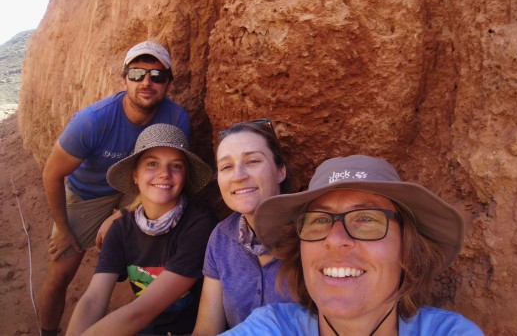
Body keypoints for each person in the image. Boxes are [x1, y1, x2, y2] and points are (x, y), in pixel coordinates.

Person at [222, 155, 484, 335]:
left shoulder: (451, 332)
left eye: (367, 219)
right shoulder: (273, 327)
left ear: (408, 249)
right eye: (319, 220)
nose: (335, 240)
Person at [39, 41, 191, 336]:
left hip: (137, 188)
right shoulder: (92, 121)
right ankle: (47, 331)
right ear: (125, 79)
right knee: (60, 272)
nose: (147, 82)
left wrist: (121, 214)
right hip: (88, 193)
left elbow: (172, 175)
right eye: (137, 73)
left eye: (157, 76)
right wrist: (63, 227)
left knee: (161, 224)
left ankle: (155, 311)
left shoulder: (176, 119)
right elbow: (52, 174)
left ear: (169, 84)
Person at [66, 123, 216, 335]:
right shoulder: (120, 229)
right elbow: (94, 298)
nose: (164, 173)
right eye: (152, 164)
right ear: (135, 176)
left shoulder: (199, 226)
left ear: (185, 177)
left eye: (176, 166)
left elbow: (141, 312)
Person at [191, 119, 295, 335]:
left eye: (253, 161)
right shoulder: (221, 238)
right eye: (227, 166)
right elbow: (206, 329)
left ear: (280, 171)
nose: (239, 176)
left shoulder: (313, 236)